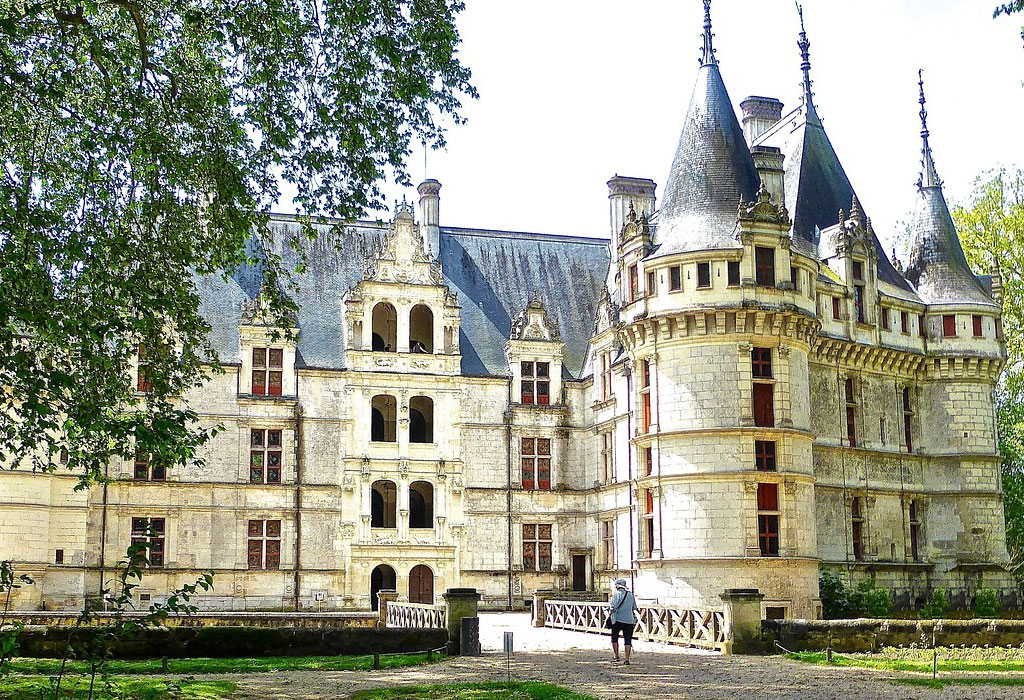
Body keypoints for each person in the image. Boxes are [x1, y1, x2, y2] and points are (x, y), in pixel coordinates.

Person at [608, 578, 639, 664]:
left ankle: (616, 656)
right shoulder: (630, 595)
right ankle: (627, 659)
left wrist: (609, 612)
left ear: (617, 586)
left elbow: (612, 607)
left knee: (614, 638)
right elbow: (634, 607)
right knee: (628, 639)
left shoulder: (616, 594)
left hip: (617, 619)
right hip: (629, 620)